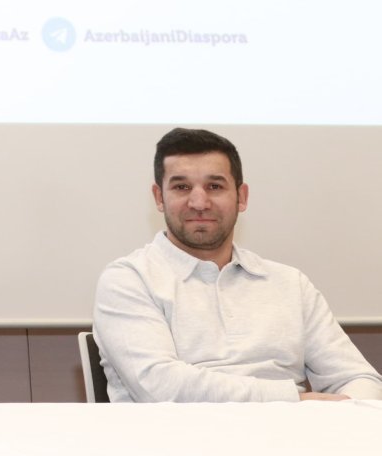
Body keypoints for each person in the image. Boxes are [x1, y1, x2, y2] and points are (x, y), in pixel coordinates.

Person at [93, 127, 382, 402]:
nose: (199, 202)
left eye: (214, 186)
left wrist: (348, 407)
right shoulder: (129, 279)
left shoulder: (290, 284)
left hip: (291, 432)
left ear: (241, 197)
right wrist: (293, 400)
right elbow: (159, 386)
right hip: (180, 433)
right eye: (181, 187)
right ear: (159, 198)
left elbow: (357, 377)